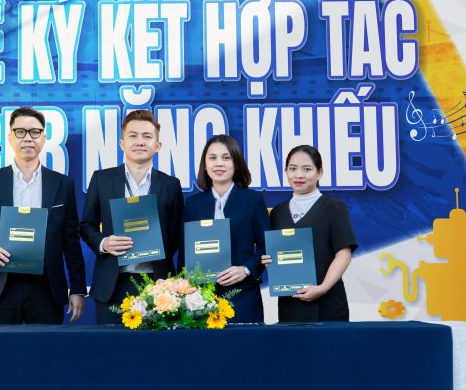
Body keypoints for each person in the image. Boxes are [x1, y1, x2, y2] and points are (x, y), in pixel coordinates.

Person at [0, 107, 86, 324]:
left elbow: (71, 240)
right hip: (1, 284)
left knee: (44, 345)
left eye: (35, 132)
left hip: (46, 287)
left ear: (44, 137)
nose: (28, 138)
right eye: (20, 132)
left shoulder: (62, 184)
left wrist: (78, 288)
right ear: (10, 137)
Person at [80, 109, 184, 324]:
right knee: (111, 343)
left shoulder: (170, 185)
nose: (140, 141)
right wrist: (103, 243)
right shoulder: (101, 179)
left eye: (147, 136)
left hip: (157, 286)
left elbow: (175, 235)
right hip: (112, 283)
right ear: (122, 143)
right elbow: (87, 225)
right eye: (133, 135)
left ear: (157, 145)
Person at [262, 145, 357, 322]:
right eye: (293, 169)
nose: (299, 175)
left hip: (328, 301)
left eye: (307, 169)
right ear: (286, 172)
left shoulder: (333, 207)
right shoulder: (277, 212)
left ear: (319, 173)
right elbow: (276, 254)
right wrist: (269, 261)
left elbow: (343, 255)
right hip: (290, 302)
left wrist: (322, 288)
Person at [182, 135, 270, 323]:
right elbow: (185, 253)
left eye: (226, 157)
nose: (219, 163)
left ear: (236, 163)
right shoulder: (192, 204)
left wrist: (246, 269)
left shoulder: (253, 200)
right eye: (212, 158)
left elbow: (266, 246)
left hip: (243, 294)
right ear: (205, 165)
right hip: (200, 299)